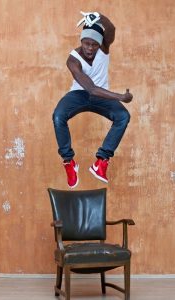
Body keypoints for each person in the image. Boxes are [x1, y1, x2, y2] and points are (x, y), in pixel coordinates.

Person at [53, 11, 133, 188]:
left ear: (100, 44)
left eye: (94, 45)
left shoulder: (104, 48)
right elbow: (90, 89)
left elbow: (111, 28)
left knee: (123, 116)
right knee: (58, 116)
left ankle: (101, 161)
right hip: (79, 94)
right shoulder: (72, 60)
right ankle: (69, 162)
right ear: (81, 41)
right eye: (86, 44)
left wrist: (98, 16)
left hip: (102, 96)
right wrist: (121, 97)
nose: (90, 48)